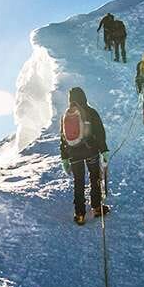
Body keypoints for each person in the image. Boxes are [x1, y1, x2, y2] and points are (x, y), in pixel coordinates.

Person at [60, 87, 110, 225]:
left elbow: (63, 139)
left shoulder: (66, 115)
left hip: (73, 154)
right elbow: (99, 132)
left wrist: (65, 158)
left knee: (79, 182)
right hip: (90, 151)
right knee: (95, 177)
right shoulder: (90, 112)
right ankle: (96, 208)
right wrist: (104, 150)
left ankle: (80, 214)